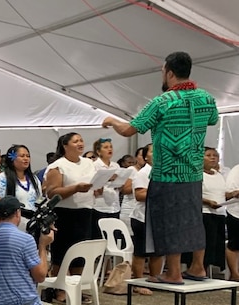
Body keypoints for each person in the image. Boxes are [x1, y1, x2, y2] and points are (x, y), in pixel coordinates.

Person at [102, 51, 218, 284]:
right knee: (194, 219)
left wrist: (112, 121)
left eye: (163, 71)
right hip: (194, 172)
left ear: (170, 72)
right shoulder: (206, 98)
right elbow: (213, 119)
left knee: (169, 221)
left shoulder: (162, 102)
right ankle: (198, 267)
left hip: (168, 172)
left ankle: (173, 273)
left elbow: (130, 129)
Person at [43, 132, 97, 304]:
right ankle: (59, 289)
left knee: (81, 253)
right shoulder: (58, 166)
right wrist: (75, 188)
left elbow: (93, 184)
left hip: (85, 211)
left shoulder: (89, 163)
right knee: (62, 252)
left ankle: (76, 288)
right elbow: (52, 193)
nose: (80, 143)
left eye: (81, 140)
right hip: (64, 213)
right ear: (65, 146)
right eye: (76, 141)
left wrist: (98, 187)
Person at [181, 147, 227, 278]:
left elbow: (221, 194)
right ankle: (195, 268)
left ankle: (203, 269)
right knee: (202, 243)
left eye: (215, 155)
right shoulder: (195, 174)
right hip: (203, 213)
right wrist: (207, 201)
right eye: (209, 155)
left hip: (218, 214)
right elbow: (190, 194)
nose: (213, 158)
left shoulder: (219, 176)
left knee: (213, 245)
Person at [0, 144, 42, 227]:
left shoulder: (34, 179)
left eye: (28, 156)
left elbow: (39, 200)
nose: (26, 158)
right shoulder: (0, 180)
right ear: (12, 159)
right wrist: (0, 231)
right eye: (22, 156)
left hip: (31, 226)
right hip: (8, 228)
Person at [129, 144, 155, 295]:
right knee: (141, 252)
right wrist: (160, 193)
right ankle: (138, 282)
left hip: (159, 218)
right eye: (153, 151)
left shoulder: (164, 172)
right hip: (142, 218)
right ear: (145, 157)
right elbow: (139, 195)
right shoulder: (143, 173)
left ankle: (154, 279)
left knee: (157, 252)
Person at [91, 137, 123, 240]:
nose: (110, 149)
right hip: (99, 206)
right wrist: (108, 179)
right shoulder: (94, 165)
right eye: (105, 147)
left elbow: (120, 187)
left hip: (114, 206)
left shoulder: (116, 165)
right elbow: (93, 186)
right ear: (98, 151)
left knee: (115, 237)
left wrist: (119, 181)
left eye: (111, 147)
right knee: (99, 237)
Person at [225, 164, 239, 281]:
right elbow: (230, 192)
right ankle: (234, 274)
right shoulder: (236, 170)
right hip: (236, 212)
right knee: (234, 245)